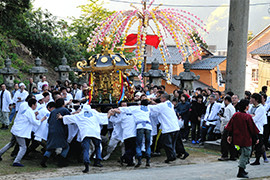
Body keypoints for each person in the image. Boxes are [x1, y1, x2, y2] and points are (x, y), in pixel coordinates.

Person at [59, 104, 108, 173]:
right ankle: (97, 161)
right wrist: (109, 114)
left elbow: (70, 118)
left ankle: (86, 164)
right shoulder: (94, 113)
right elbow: (103, 117)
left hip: (85, 133)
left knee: (86, 149)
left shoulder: (80, 115)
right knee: (97, 147)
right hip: (95, 132)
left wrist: (61, 117)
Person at [225, 99, 260, 178]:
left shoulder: (236, 115)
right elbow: (252, 129)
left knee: (242, 153)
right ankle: (241, 171)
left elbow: (230, 126)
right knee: (245, 154)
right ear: (246, 107)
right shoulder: (247, 117)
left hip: (236, 139)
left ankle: (242, 169)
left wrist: (229, 135)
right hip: (245, 139)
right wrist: (256, 138)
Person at [116, 99, 152, 167]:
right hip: (148, 126)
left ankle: (139, 161)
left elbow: (125, 109)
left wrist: (115, 109)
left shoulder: (136, 108)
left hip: (140, 126)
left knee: (138, 145)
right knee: (148, 145)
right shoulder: (148, 108)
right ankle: (148, 161)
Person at [10, 98, 46, 166]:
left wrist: (34, 115)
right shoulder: (30, 111)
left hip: (17, 130)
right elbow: (35, 122)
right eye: (35, 104)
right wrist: (42, 119)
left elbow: (31, 119)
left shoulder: (29, 111)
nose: (36, 106)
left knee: (11, 144)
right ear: (32, 105)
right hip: (20, 132)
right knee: (23, 147)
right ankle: (16, 161)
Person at [148, 94, 182, 163]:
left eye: (160, 98)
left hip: (168, 128)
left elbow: (151, 108)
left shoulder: (162, 105)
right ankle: (173, 155)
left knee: (167, 144)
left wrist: (147, 104)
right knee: (172, 143)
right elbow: (159, 106)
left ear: (163, 98)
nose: (160, 99)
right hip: (175, 127)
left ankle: (170, 157)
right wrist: (156, 103)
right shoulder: (170, 104)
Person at [41, 98, 71, 168]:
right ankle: (61, 160)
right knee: (66, 146)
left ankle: (44, 160)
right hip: (60, 131)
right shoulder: (64, 110)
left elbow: (49, 121)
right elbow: (69, 118)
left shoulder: (53, 111)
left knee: (51, 147)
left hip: (51, 131)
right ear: (63, 104)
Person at [248, 93, 267, 166]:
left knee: (258, 145)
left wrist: (251, 116)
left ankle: (257, 159)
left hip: (258, 129)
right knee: (252, 144)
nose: (250, 100)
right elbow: (248, 115)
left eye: (252, 98)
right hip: (252, 128)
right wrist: (251, 116)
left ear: (256, 99)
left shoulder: (261, 108)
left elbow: (255, 119)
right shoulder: (252, 107)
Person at [218, 96, 237, 161]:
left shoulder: (227, 108)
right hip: (232, 126)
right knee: (231, 142)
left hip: (227, 126)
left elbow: (226, 119)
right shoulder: (232, 107)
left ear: (226, 100)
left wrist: (221, 117)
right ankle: (233, 155)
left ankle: (225, 155)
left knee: (224, 142)